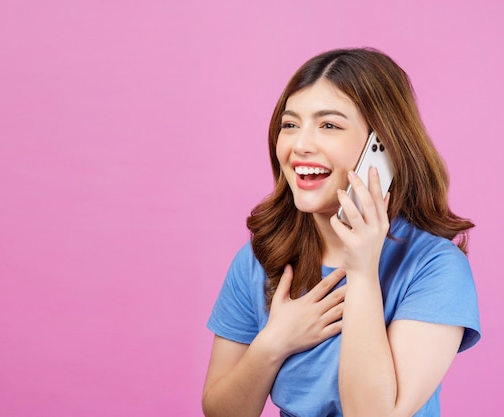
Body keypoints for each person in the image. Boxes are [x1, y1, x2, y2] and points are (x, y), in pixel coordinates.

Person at [202, 47, 481, 417]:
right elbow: (221, 412)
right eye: (290, 124)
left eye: (329, 125)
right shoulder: (261, 258)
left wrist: (363, 272)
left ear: (381, 148)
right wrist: (273, 344)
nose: (300, 145)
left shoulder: (435, 268)